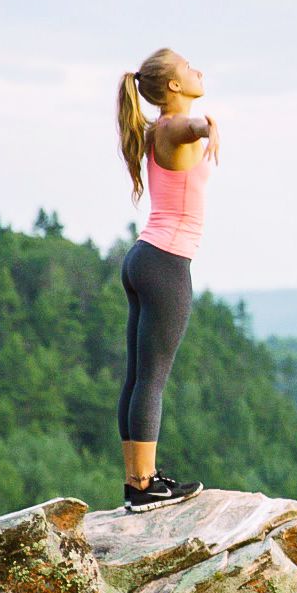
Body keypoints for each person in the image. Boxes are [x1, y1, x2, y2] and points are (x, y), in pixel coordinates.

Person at [114, 48, 219, 512]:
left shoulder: (156, 130)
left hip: (143, 259)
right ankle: (144, 486)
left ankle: (139, 481)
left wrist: (205, 127)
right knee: (151, 380)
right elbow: (191, 127)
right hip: (167, 265)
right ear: (173, 87)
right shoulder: (174, 126)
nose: (198, 68)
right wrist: (209, 127)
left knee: (138, 378)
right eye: (188, 66)